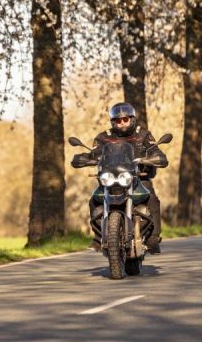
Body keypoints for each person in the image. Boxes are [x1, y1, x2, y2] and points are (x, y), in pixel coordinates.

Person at [72, 102, 167, 253]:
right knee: (94, 200)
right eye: (118, 120)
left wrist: (156, 157)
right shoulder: (104, 137)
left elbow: (155, 150)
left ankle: (152, 238)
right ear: (113, 122)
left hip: (137, 178)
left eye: (125, 119)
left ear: (132, 119)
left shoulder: (143, 134)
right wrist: (84, 159)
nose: (122, 123)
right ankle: (98, 238)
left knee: (152, 198)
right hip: (110, 180)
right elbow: (94, 153)